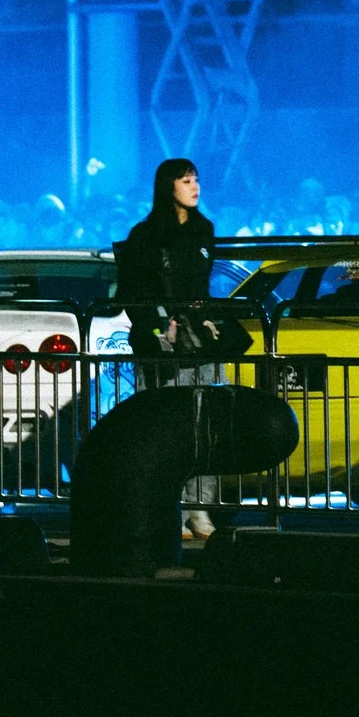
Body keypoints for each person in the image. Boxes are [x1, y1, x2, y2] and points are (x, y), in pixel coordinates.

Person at [115, 156, 231, 540]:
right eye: (186, 181)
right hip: (161, 345)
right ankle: (171, 509)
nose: (195, 187)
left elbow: (201, 287)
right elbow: (133, 292)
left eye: (197, 179)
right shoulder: (144, 235)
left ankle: (200, 510)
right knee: (166, 426)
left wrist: (207, 318)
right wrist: (158, 326)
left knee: (206, 425)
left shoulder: (204, 229)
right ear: (168, 187)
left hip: (198, 342)